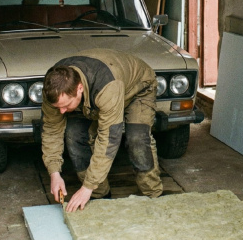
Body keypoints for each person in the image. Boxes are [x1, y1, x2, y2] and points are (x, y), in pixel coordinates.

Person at [41, 48, 163, 213]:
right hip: (95, 95)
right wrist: (54, 173)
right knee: (74, 135)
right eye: (58, 107)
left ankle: (153, 195)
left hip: (137, 89)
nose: (62, 111)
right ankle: (100, 197)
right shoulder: (54, 89)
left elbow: (109, 139)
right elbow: (51, 130)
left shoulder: (107, 86)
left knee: (137, 139)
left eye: (66, 105)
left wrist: (87, 186)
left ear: (79, 88)